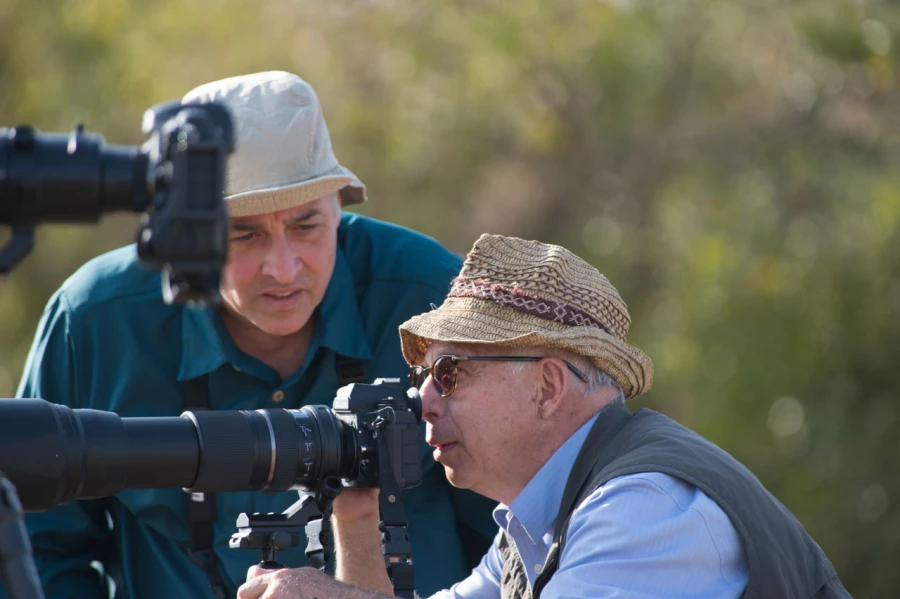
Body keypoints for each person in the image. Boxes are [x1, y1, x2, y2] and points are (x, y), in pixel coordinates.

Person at [7, 71, 497, 599]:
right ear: (190, 234)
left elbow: (520, 530)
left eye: (305, 226)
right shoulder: (95, 320)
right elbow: (39, 544)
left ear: (339, 208)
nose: (283, 268)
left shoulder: (435, 299)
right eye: (245, 234)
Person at [237, 234, 852, 599]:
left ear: (548, 386)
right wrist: (356, 512)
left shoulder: (645, 508)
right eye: (423, 376)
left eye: (449, 373)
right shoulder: (539, 519)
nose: (424, 398)